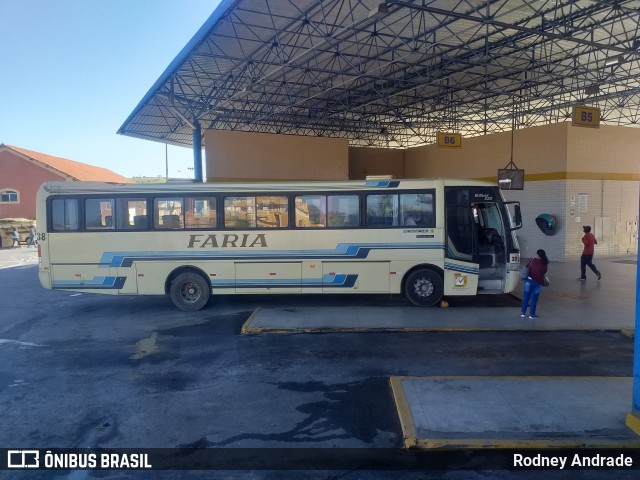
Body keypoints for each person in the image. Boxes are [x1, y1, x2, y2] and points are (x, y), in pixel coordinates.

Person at [520, 249, 549, 319]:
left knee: (526, 298)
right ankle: (531, 314)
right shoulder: (544, 263)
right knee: (534, 299)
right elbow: (544, 272)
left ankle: (523, 313)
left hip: (528, 281)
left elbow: (527, 268)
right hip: (537, 283)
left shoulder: (531, 260)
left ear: (538, 255)